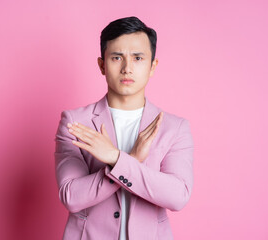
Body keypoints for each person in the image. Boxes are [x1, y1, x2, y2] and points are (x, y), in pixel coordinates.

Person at [54, 16, 194, 240]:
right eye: (117, 57)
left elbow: (177, 196)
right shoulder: (75, 122)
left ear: (152, 66)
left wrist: (115, 158)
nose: (127, 68)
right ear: (102, 65)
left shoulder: (175, 128)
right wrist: (130, 160)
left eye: (138, 58)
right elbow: (71, 196)